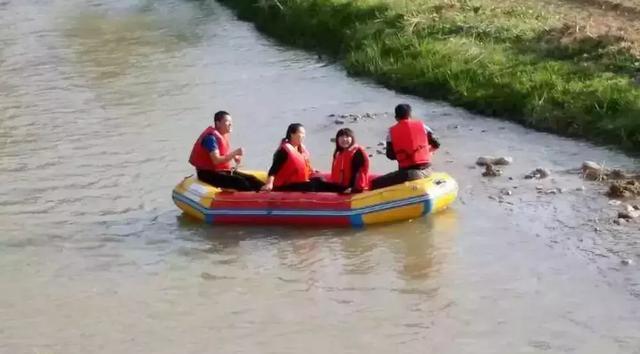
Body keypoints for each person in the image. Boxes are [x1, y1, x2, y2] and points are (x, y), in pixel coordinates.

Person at [188, 111, 264, 191]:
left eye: (231, 122)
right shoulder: (210, 138)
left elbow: (223, 153)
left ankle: (267, 195)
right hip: (207, 174)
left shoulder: (221, 136)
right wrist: (235, 153)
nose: (230, 124)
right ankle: (254, 200)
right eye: (228, 122)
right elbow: (216, 160)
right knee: (240, 182)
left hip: (220, 171)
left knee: (252, 179)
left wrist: (234, 156)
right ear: (218, 124)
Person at [370, 103, 440, 190]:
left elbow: (390, 155)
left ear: (396, 118)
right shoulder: (423, 127)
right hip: (428, 170)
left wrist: (403, 154)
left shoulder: (391, 133)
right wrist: (426, 151)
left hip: (408, 174)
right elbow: (437, 144)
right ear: (410, 115)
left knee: (374, 183)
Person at [261, 123, 345, 192]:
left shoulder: (299, 148)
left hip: (299, 182)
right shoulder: (283, 151)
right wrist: (269, 184)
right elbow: (273, 169)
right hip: (285, 186)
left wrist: (312, 170)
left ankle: (343, 187)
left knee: (319, 179)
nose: (304, 136)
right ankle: (343, 191)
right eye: (301, 134)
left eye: (304, 134)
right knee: (315, 184)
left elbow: (303, 165)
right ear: (292, 134)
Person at [329, 128, 370, 193]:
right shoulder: (339, 152)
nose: (344, 139)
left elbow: (359, 173)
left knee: (316, 184)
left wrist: (354, 189)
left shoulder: (357, 152)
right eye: (341, 137)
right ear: (337, 140)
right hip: (340, 186)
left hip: (351, 189)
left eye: (347, 137)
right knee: (317, 181)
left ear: (352, 138)